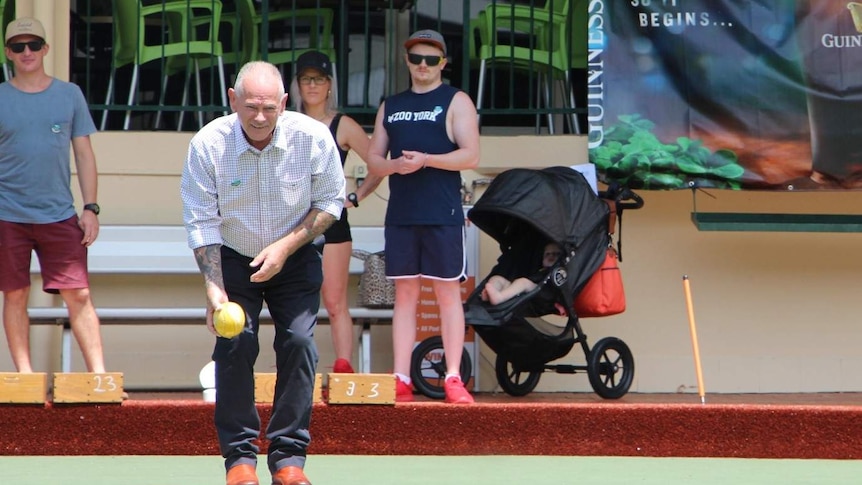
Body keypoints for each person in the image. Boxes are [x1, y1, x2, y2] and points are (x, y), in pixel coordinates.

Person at [181, 61, 344, 485]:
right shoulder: (208, 144)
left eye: (268, 108)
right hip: (233, 256)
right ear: (233, 100)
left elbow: (331, 202)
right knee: (235, 345)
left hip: (296, 254)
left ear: (284, 104)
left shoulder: (312, 137)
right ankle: (239, 460)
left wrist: (286, 246)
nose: (258, 116)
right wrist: (215, 291)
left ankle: (289, 460)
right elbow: (201, 222)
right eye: (250, 106)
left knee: (300, 343)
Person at [366, 29, 481, 404]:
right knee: (405, 294)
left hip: (442, 213)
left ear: (444, 63)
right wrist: (396, 165)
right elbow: (374, 160)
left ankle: (452, 376)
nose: (423, 66)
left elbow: (471, 155)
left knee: (448, 293)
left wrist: (428, 160)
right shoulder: (391, 104)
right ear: (407, 61)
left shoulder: (456, 100)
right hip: (401, 213)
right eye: (416, 58)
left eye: (431, 59)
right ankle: (401, 376)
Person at [0, 17, 106, 375]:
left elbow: (84, 155)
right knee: (15, 295)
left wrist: (90, 208)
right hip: (7, 215)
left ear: (45, 49)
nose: (26, 52)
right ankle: (25, 379)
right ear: (8, 52)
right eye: (18, 46)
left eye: (33, 45)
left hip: (59, 214)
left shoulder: (69, 94)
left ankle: (99, 378)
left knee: (79, 295)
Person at [289, 50, 383, 374]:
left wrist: (354, 197)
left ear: (330, 85)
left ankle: (344, 368)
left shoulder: (342, 124)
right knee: (292, 301)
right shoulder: (285, 121)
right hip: (292, 222)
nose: (312, 85)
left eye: (319, 79)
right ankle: (295, 367)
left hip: (332, 221)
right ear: (297, 85)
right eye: (305, 79)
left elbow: (378, 164)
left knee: (334, 300)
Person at [481, 243, 562, 306]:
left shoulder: (560, 271)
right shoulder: (539, 269)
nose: (551, 256)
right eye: (547, 254)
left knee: (524, 282)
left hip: (543, 292)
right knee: (497, 278)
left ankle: (499, 297)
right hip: (526, 290)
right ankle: (490, 294)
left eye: (555, 254)